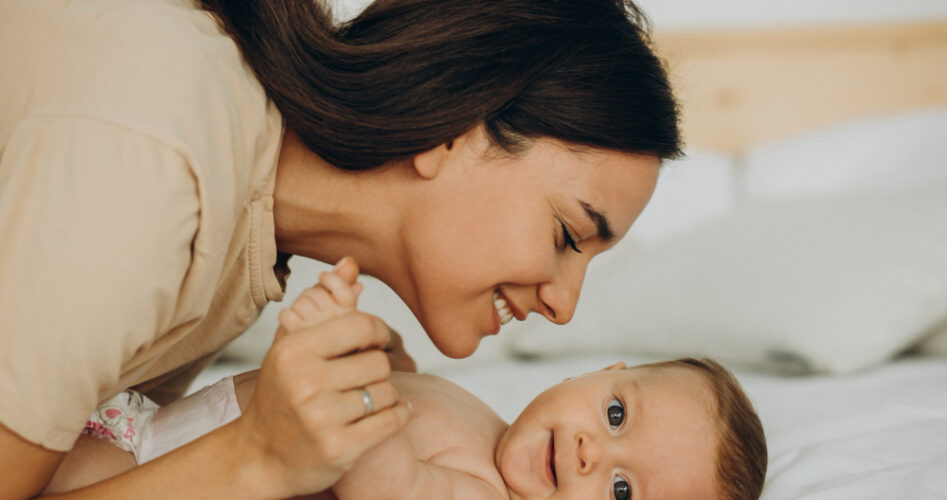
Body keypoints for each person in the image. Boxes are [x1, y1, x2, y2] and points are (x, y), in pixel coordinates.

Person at [0, 0, 681, 497]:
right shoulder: (158, 168)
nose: (565, 306)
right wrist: (257, 456)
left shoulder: (248, 247)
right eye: (567, 236)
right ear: (452, 130)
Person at [45, 264, 768, 499]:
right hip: (143, 425)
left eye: (622, 492)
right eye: (614, 416)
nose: (591, 455)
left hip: (156, 472)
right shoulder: (484, 423)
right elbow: (417, 402)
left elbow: (386, 482)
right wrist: (388, 358)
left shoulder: (482, 494)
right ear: (599, 373)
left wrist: (338, 358)